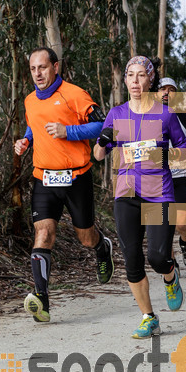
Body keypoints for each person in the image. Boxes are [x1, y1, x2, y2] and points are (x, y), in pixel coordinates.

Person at [14, 47, 114, 323]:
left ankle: (101, 247)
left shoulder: (74, 94)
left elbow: (105, 125)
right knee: (43, 234)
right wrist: (25, 141)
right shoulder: (30, 100)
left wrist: (68, 132)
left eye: (43, 67)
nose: (38, 73)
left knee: (85, 237)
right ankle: (42, 301)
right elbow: (34, 126)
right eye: (33, 68)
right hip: (44, 178)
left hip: (76, 177)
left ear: (55, 67)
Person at [93, 56, 186, 338]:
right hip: (126, 194)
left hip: (159, 194)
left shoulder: (165, 114)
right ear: (125, 80)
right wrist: (102, 140)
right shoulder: (116, 114)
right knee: (132, 258)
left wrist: (168, 155)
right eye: (130, 75)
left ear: (151, 80)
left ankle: (170, 276)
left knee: (158, 257)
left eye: (140, 76)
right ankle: (149, 316)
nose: (135, 81)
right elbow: (98, 155)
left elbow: (184, 150)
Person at [157, 77, 186, 267]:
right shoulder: (146, 115)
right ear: (156, 92)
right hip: (156, 178)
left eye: (171, 89)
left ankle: (185, 241)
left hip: (180, 176)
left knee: (182, 224)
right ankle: (170, 262)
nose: (167, 93)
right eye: (163, 89)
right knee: (162, 225)